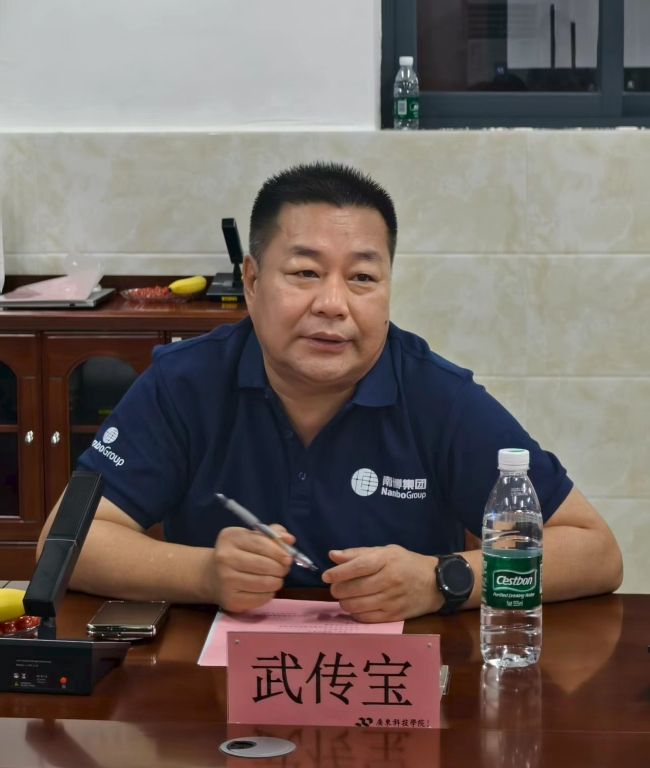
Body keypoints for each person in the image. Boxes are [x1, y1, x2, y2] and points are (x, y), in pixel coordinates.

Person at [37, 162, 623, 622]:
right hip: (217, 694)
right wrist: (205, 574)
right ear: (251, 280)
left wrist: (441, 579)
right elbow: (63, 544)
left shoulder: (438, 397)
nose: (333, 304)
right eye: (305, 273)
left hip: (396, 699)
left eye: (362, 277)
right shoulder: (184, 383)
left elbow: (593, 551)